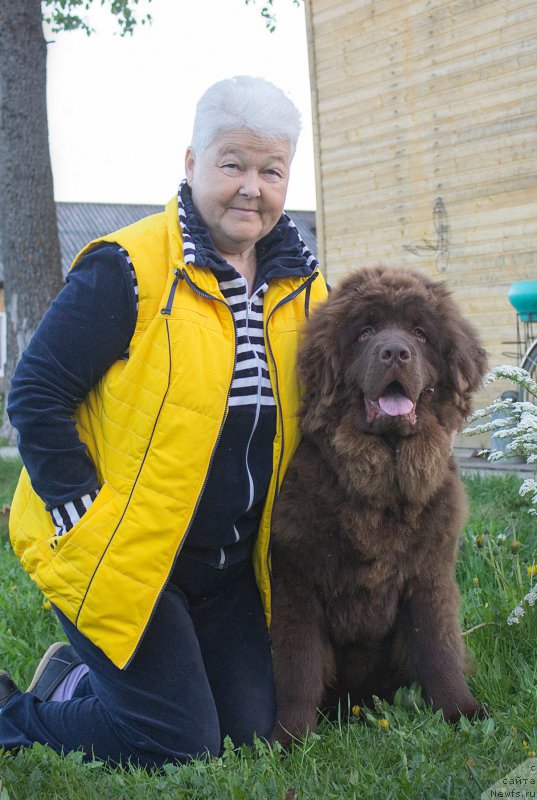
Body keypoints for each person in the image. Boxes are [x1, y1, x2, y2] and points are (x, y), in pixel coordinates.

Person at [0, 75, 328, 767]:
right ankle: (15, 712)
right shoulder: (130, 266)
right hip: (124, 556)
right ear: (191, 163)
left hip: (225, 567)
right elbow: (35, 392)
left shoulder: (302, 286)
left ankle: (78, 678)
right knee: (177, 745)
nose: (252, 187)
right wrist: (78, 510)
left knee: (250, 732)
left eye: (271, 171)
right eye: (232, 164)